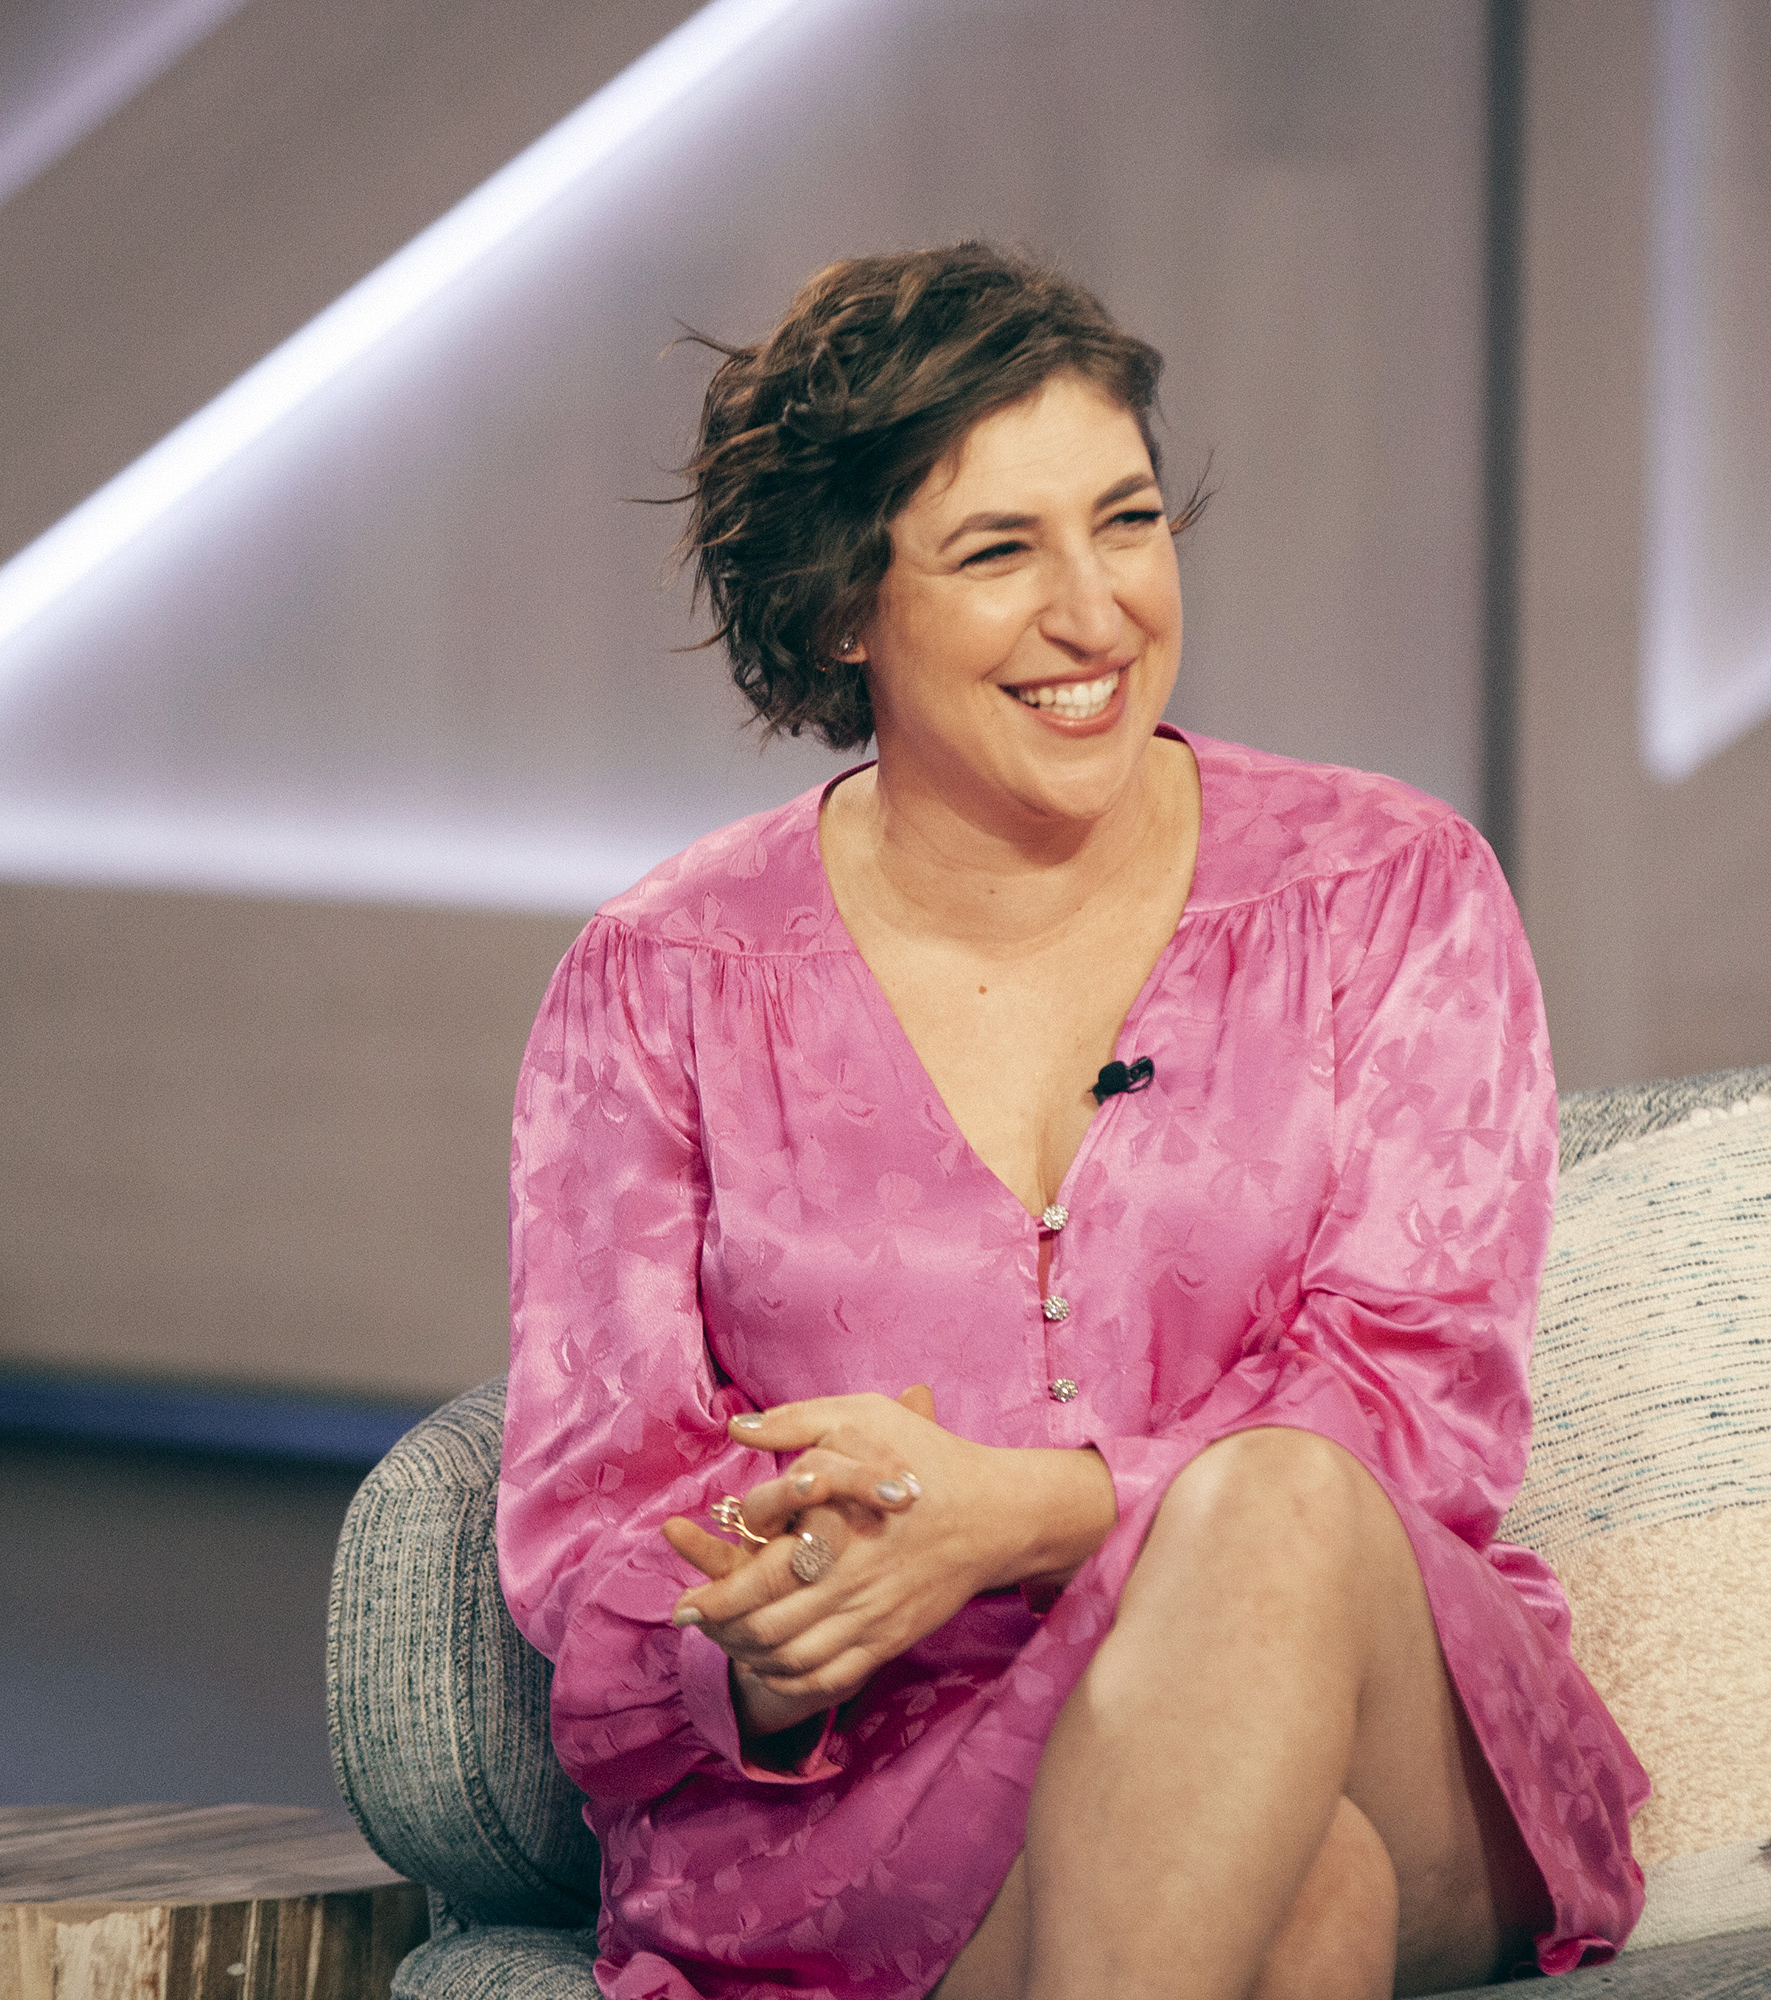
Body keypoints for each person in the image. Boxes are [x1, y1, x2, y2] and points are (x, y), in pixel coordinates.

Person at [498, 243, 1645, 2000]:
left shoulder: (1388, 892)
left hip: (1365, 1705)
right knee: (1300, 1904)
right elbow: (595, 1526)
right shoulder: (661, 983)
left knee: (1277, 1504)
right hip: (884, 1799)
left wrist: (1029, 1512)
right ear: (839, 612)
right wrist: (773, 1636)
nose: (1097, 612)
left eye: (1124, 521)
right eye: (997, 552)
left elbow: (1419, 1412)